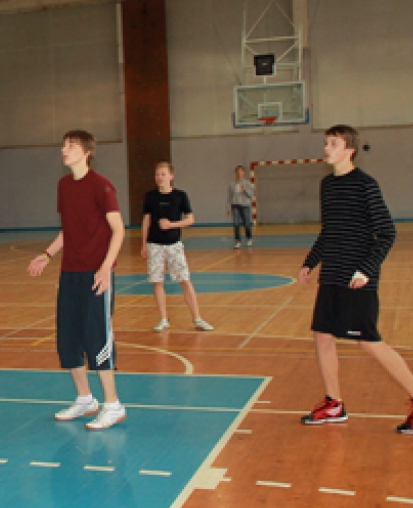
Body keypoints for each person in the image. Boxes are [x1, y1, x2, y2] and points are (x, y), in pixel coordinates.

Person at [299, 125, 413, 434]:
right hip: (332, 274)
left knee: (368, 341)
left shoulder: (365, 185)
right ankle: (334, 403)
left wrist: (366, 270)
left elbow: (387, 233)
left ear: (350, 150)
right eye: (326, 143)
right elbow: (329, 230)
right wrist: (311, 261)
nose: (327, 148)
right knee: (322, 335)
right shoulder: (327, 185)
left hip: (357, 277)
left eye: (333, 144)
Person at [27, 131, 127, 431]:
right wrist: (47, 255)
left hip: (96, 274)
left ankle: (113, 405)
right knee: (68, 338)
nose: (64, 149)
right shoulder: (63, 186)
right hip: (69, 273)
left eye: (71, 146)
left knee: (97, 338)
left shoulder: (101, 185)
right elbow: (67, 231)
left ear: (87, 152)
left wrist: (106, 268)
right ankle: (85, 399)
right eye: (64, 145)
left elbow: (119, 230)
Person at [142, 162, 212, 332]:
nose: (160, 177)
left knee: (185, 281)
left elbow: (190, 219)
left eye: (163, 174)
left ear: (171, 176)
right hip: (155, 245)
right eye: (157, 174)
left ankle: (197, 318)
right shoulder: (150, 196)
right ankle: (163, 319)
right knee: (157, 282)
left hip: (174, 245)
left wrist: (172, 225)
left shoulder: (180, 196)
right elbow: (146, 220)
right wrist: (144, 243)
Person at [228, 165, 254, 248]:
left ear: (244, 172)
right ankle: (238, 241)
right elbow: (230, 196)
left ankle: (249, 238)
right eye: (238, 172)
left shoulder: (248, 183)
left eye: (241, 171)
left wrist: (245, 189)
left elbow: (251, 194)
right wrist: (228, 207)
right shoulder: (232, 184)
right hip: (235, 205)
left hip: (245, 205)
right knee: (236, 223)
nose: (239, 173)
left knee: (246, 223)